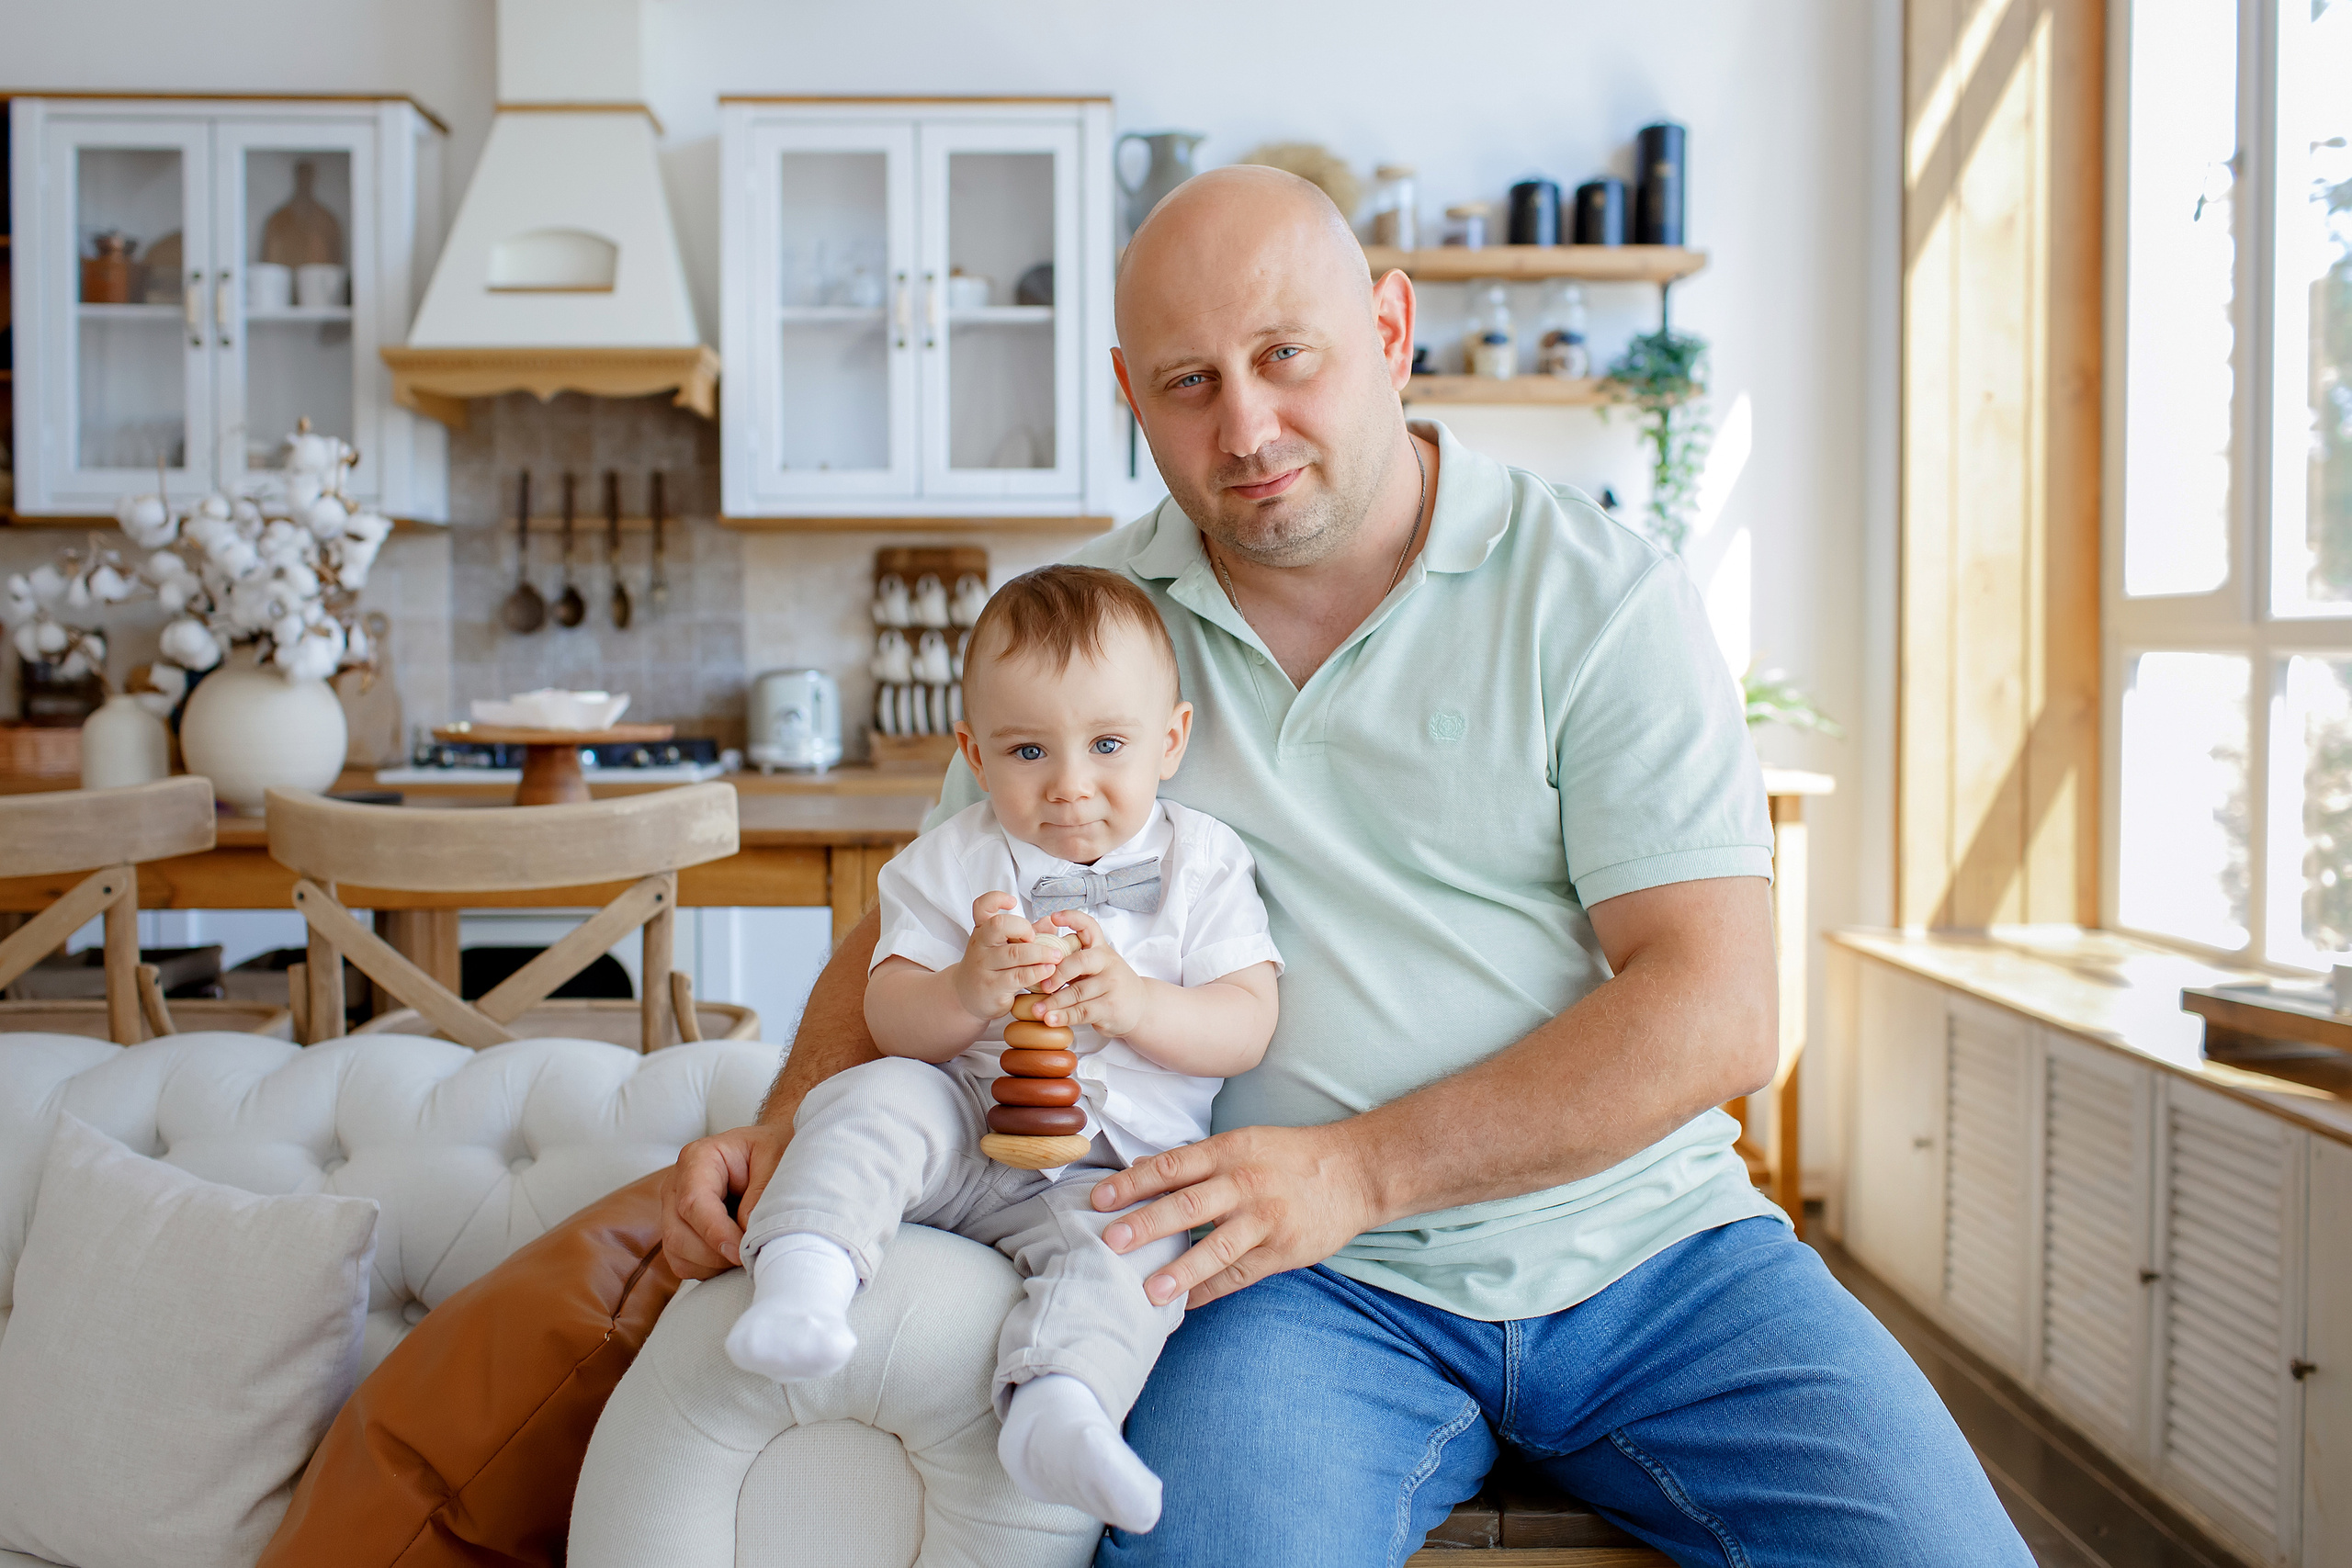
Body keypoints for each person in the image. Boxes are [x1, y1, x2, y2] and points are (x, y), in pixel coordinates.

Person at [665, 165, 2032, 1565]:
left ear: (1390, 330)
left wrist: (1362, 1169)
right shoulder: (1085, 639)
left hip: (1655, 1252)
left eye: (1284, 355)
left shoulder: (1599, 590)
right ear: (1132, 397)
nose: (1247, 427)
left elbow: (1721, 1006)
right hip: (1287, 1281)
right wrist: (789, 1122)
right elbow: (941, 908)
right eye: (1191, 382)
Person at [722, 565, 1280, 1535]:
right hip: (960, 1133)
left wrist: (1142, 1003)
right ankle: (805, 1274)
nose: (1070, 787)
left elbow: (1245, 1021)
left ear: (1171, 741)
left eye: (1108, 745)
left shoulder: (1204, 864)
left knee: (1139, 1260)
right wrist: (962, 990)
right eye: (1029, 750)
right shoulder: (951, 860)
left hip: (1105, 1172)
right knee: (877, 1096)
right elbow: (891, 1016)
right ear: (976, 756)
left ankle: (1060, 1407)